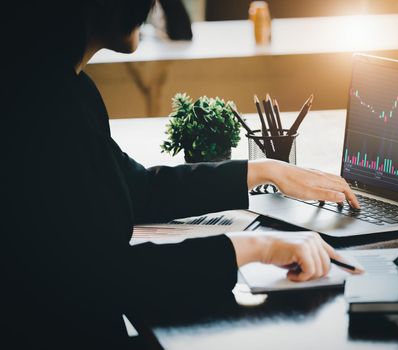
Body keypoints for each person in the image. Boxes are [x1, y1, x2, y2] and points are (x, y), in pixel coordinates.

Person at [2, 1, 360, 348]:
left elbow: (138, 189)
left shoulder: (61, 87)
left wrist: (262, 170)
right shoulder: (41, 108)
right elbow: (107, 276)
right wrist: (257, 247)